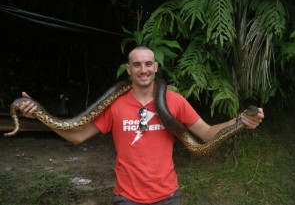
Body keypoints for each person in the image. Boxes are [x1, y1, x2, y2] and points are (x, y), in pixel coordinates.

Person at [19, 46, 264, 205]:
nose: (143, 69)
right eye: (137, 65)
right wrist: (40, 115)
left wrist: (241, 120)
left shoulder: (175, 101)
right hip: (126, 198)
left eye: (148, 64)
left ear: (156, 68)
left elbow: (208, 134)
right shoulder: (114, 105)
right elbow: (77, 135)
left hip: (168, 197)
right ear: (129, 70)